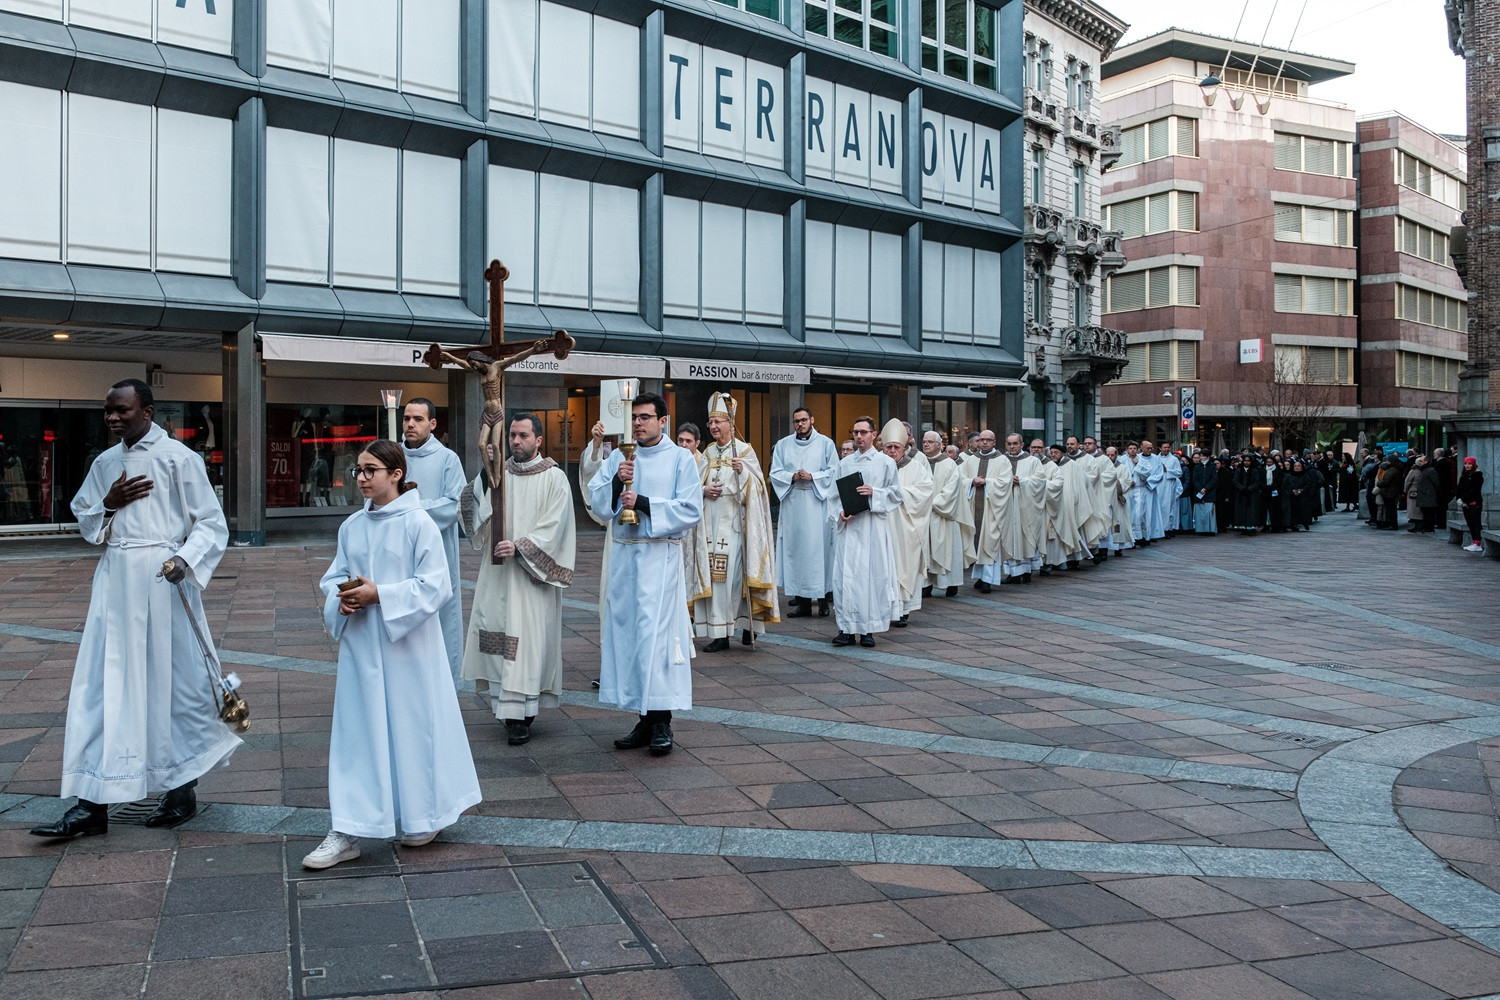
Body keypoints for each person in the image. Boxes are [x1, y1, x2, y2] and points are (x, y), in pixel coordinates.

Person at [32, 379, 239, 840]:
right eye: (108, 411)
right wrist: (107, 505)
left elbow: (210, 522)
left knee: (173, 685)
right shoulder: (105, 463)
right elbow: (86, 518)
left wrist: (183, 560)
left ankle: (181, 788)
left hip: (163, 579)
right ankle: (92, 803)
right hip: (115, 582)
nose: (112, 418)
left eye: (121, 410)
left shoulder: (179, 459)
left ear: (147, 411)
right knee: (101, 686)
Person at [307, 439, 481, 869]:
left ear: (396, 474)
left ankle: (424, 814)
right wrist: (342, 599)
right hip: (363, 645)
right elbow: (335, 577)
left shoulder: (417, 523)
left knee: (412, 727)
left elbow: (437, 585)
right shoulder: (352, 526)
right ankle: (347, 828)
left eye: (371, 470)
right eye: (359, 471)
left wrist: (380, 594)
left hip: (408, 647)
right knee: (358, 734)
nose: (362, 478)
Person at [588, 392, 702, 755]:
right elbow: (597, 503)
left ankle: (662, 721)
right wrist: (616, 482)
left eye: (645, 417)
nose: (637, 423)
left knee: (657, 640)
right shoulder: (621, 457)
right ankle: (642, 717)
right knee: (630, 637)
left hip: (658, 558)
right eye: (634, 417)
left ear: (663, 421)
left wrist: (645, 503)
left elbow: (690, 509)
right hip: (625, 558)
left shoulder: (681, 459)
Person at [461, 414, 577, 745]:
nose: (515, 441)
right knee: (499, 638)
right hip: (497, 576)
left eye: (523, 435)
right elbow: (471, 506)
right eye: (512, 435)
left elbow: (556, 526)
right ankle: (507, 712)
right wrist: (486, 469)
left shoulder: (555, 478)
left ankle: (525, 714)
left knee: (527, 644)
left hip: (530, 578)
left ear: (538, 440)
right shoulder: (499, 476)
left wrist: (521, 547)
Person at [689, 393, 778, 651]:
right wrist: (704, 490)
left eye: (718, 421)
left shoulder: (745, 450)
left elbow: (760, 490)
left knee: (737, 577)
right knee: (716, 579)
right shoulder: (706, 453)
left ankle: (749, 626)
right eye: (711, 423)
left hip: (736, 525)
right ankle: (720, 634)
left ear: (730, 423)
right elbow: (694, 485)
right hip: (710, 523)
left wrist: (744, 475)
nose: (714, 427)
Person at [401, 397, 467, 687]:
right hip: (400, 551)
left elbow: (456, 504)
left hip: (436, 549)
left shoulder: (447, 459)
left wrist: (412, 509)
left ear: (432, 424)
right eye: (406, 418)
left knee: (441, 616)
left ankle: (444, 686)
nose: (410, 424)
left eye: (417, 419)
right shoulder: (392, 457)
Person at [829, 416, 903, 647]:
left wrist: (875, 492)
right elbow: (833, 495)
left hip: (873, 528)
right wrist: (841, 512)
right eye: (855, 432)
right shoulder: (845, 463)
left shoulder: (885, 463)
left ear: (874, 434)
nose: (859, 437)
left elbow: (896, 495)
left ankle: (869, 629)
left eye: (863, 432)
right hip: (850, 528)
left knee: (871, 577)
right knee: (847, 577)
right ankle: (847, 629)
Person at [769, 407, 838, 619]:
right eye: (796, 421)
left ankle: (824, 600)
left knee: (819, 553)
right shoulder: (783, 445)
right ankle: (803, 603)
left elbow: (834, 471)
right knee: (797, 553)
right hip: (794, 505)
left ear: (812, 420)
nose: (800, 424)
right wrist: (792, 476)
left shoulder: (826, 443)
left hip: (817, 505)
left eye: (804, 420)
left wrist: (813, 476)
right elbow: (775, 472)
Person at [882, 420, 933, 626]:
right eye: (889, 447)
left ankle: (903, 610)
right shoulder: (878, 464)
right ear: (882, 447)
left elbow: (925, 492)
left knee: (903, 567)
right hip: (881, 525)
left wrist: (897, 493)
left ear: (904, 448)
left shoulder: (917, 467)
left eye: (896, 447)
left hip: (905, 527)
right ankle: (882, 609)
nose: (892, 451)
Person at [921, 431, 967, 597]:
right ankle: (926, 585)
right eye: (925, 441)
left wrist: (930, 503)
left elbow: (951, 490)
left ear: (940, 445)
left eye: (931, 442)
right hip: (924, 516)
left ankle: (951, 583)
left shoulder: (949, 464)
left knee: (948, 549)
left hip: (943, 516)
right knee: (925, 549)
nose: (926, 444)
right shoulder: (919, 463)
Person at [1457, 457, 1485, 552]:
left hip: (1474, 503)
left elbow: (1475, 490)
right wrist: (1459, 499)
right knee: (1470, 523)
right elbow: (1459, 489)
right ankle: (1474, 542)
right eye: (1466, 464)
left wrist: (1463, 499)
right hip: (1465, 504)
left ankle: (1478, 543)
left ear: (1473, 464)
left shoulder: (1477, 476)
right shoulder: (1464, 475)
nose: (1467, 466)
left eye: (1469, 464)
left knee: (1476, 523)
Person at [1407, 454, 1440, 534]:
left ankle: (1430, 528)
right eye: (1419, 461)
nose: (1420, 462)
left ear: (1426, 461)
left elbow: (1436, 483)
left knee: (1429, 512)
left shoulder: (1430, 470)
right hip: (1423, 495)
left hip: (1428, 495)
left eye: (1421, 461)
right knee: (1425, 512)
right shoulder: (1423, 470)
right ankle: (1427, 527)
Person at [1189, 451, 1217, 534]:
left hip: (1209, 492)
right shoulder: (1197, 467)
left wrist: (1206, 488)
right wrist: (1200, 488)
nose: (1200, 457)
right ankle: (1200, 529)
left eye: (1202, 456)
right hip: (1199, 492)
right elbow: (1194, 479)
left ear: (1207, 457)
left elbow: (1214, 479)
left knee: (1209, 511)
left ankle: (1210, 529)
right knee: (1200, 511)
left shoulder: (1212, 466)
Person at [1284, 458, 1314, 531]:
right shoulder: (1290, 475)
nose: (1297, 468)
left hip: (1303, 496)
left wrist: (1302, 490)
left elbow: (1308, 484)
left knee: (1303, 511)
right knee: (1294, 511)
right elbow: (1288, 485)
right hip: (1293, 496)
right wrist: (1293, 491)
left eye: (1298, 466)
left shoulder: (1305, 475)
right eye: (1295, 466)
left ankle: (1305, 523)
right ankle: (1294, 524)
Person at [1432, 448, 1456, 530]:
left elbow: (1440, 477)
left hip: (1442, 489)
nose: (1433, 454)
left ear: (1439, 454)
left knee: (1441, 507)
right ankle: (1440, 522)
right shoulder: (1441, 462)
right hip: (1443, 489)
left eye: (1435, 453)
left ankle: (1441, 523)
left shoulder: (1442, 463)